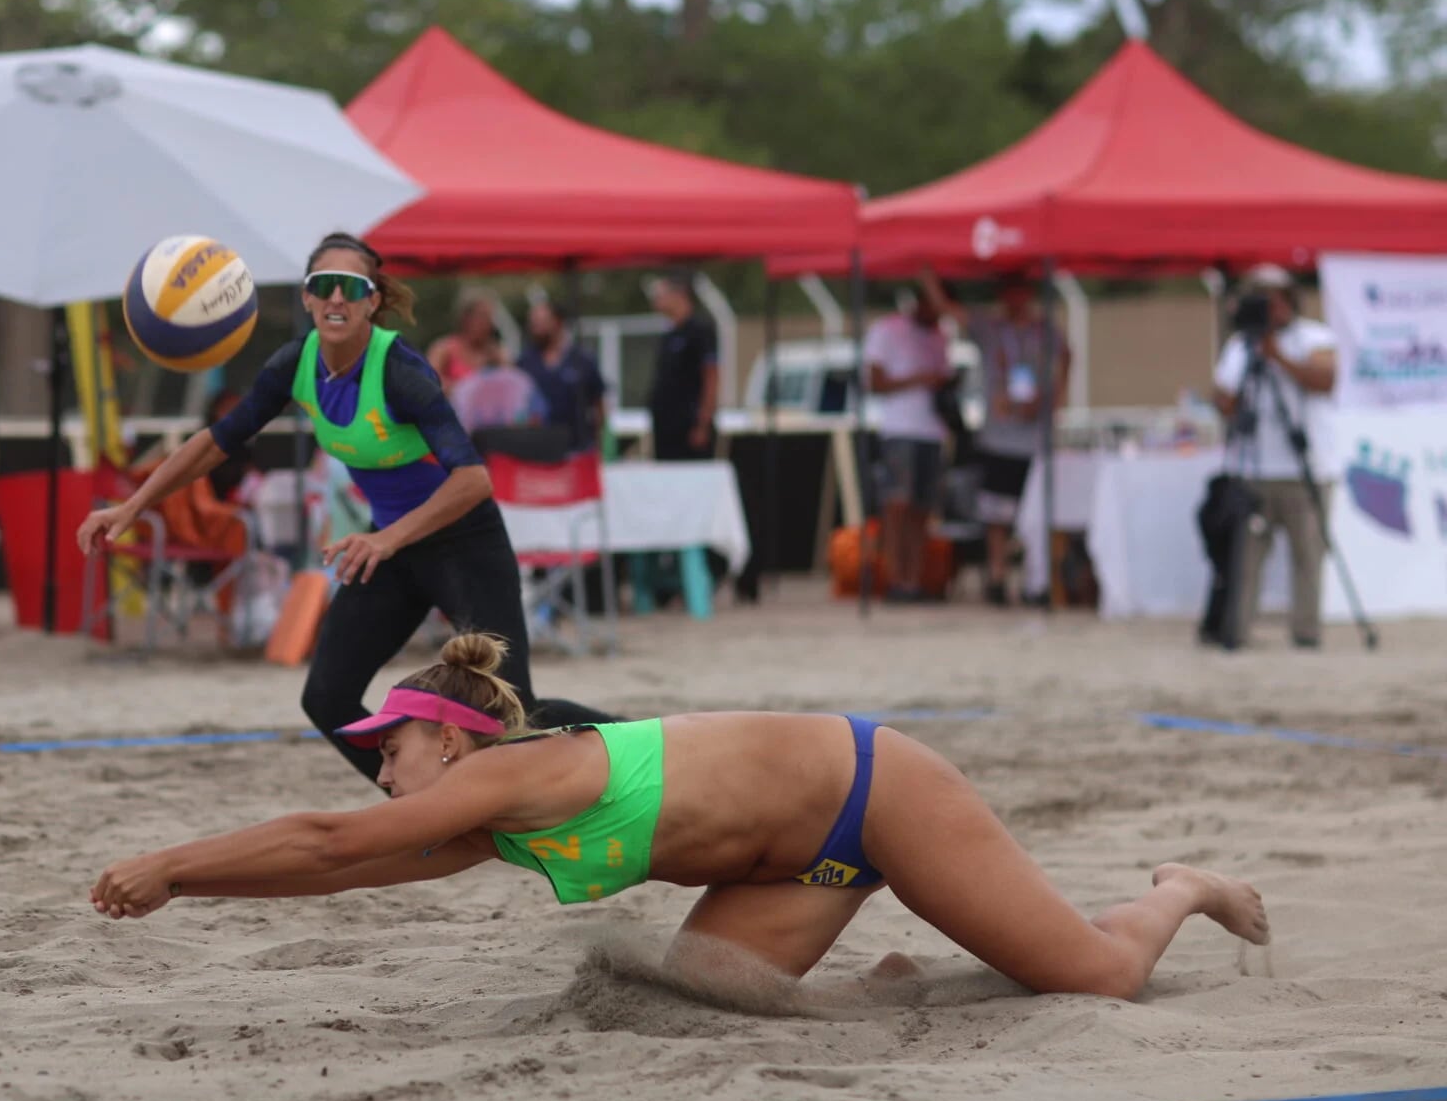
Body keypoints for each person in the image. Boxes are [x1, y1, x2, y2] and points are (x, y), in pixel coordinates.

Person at [90, 632, 1271, 1005]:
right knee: (713, 985)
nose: (378, 773)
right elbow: (334, 874)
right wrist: (195, 885)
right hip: (803, 862)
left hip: (876, 792)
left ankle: (1181, 885)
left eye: (385, 747)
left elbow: (330, 841)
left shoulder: (508, 773)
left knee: (1100, 981)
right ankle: (895, 979)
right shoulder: (481, 826)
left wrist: (172, 865)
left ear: (447, 736)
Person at [77, 232, 611, 783]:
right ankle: (414, 801)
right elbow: (216, 442)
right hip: (392, 550)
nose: (336, 298)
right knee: (328, 700)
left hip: (463, 544)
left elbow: (473, 480)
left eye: (350, 288)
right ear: (307, 299)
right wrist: (132, 506)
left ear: (371, 301)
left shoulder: (402, 373)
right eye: (322, 286)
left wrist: (386, 539)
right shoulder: (294, 363)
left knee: (513, 716)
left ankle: (629, 737)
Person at [920, 272, 1070, 606]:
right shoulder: (990, 328)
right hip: (1000, 438)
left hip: (1033, 438)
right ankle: (998, 576)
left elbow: (1066, 357)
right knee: (996, 515)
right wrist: (926, 269)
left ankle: (1037, 580)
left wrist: (1054, 398)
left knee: (1035, 514)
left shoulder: (1045, 330)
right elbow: (948, 309)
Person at [1212, 265, 1339, 650]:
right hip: (1254, 470)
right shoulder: (1239, 347)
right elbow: (1225, 402)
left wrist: (1278, 356)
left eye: (1278, 298)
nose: (1273, 307)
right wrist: (1252, 357)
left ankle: (1306, 632)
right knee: (1246, 558)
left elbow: (1325, 380)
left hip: (1307, 471)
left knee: (1307, 558)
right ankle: (1237, 631)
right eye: (1262, 299)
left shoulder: (1313, 336)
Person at [863, 288, 952, 603]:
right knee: (896, 506)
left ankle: (913, 580)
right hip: (900, 430)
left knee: (921, 511)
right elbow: (874, 382)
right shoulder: (887, 329)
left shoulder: (940, 335)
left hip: (932, 432)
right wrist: (918, 379)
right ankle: (893, 578)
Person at [517, 298, 607, 455]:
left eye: (541, 322)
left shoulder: (582, 360)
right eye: (533, 323)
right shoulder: (524, 362)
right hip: (536, 451)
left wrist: (598, 446)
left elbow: (599, 405)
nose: (535, 328)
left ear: (558, 322)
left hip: (577, 449)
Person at [646, 273, 718, 461]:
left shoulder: (700, 330)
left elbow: (711, 377)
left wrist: (703, 424)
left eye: (661, 293)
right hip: (666, 427)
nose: (657, 299)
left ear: (679, 294)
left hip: (688, 427)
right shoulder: (670, 333)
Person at [427, 290, 503, 389]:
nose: (488, 323)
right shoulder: (443, 349)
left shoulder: (496, 353)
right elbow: (428, 382)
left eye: (490, 318)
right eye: (482, 317)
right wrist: (461, 388)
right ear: (466, 318)